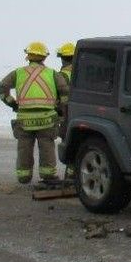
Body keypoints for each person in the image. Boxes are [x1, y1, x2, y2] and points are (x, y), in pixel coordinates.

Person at [0, 41, 70, 185]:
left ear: (28, 56)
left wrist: (11, 102)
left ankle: (24, 176)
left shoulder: (17, 73)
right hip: (47, 118)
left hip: (24, 119)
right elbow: (65, 93)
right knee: (47, 147)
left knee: (24, 148)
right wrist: (61, 109)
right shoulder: (53, 73)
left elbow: (1, 88)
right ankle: (48, 176)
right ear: (44, 58)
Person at [56, 42, 75, 179]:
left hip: (66, 116)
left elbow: (56, 98)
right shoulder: (83, 72)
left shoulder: (61, 75)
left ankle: (70, 176)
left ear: (62, 58)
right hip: (82, 114)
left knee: (68, 146)